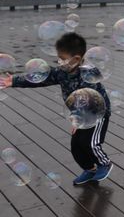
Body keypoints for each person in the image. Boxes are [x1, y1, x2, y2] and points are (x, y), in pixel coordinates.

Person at [0, 32, 113, 186]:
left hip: (97, 113)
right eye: (58, 58)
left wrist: (78, 119)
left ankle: (104, 163)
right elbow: (41, 78)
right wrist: (13, 80)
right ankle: (90, 169)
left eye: (62, 58)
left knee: (90, 143)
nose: (59, 61)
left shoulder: (89, 73)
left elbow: (90, 99)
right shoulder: (61, 72)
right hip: (79, 116)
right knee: (76, 146)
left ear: (77, 59)